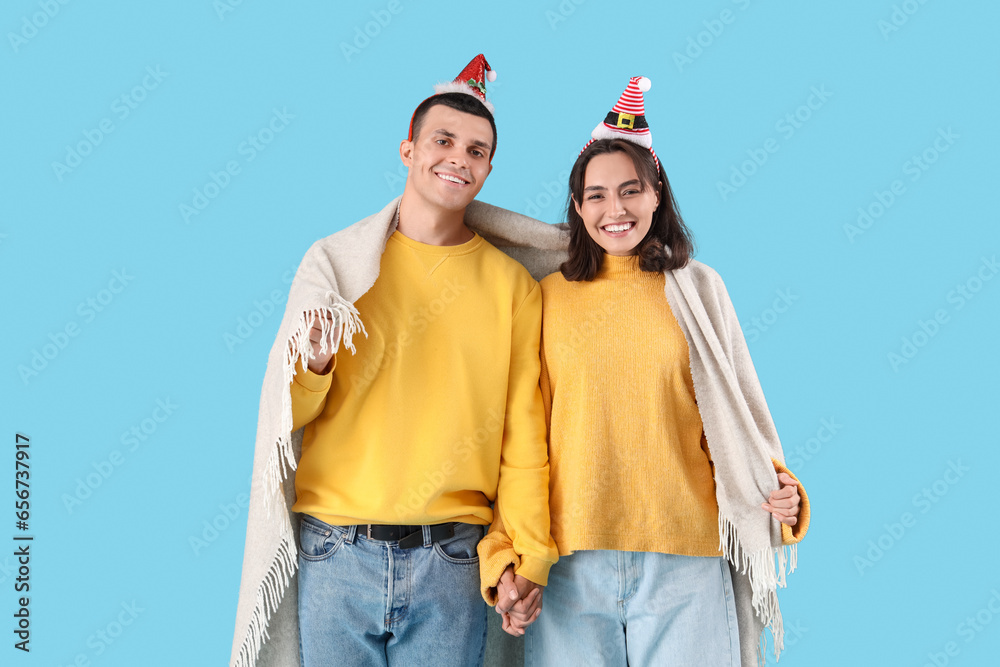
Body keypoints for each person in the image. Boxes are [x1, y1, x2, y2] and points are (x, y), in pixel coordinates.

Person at [229, 55, 559, 667]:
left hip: (453, 561)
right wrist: (318, 365)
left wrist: (528, 554)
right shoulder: (338, 266)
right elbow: (286, 417)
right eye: (443, 140)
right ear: (408, 150)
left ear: (488, 169)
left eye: (477, 150)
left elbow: (524, 438)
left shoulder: (514, 288)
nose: (459, 157)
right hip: (335, 552)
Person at [480, 76, 811, 667]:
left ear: (657, 194)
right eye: (597, 195)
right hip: (569, 566)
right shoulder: (548, 299)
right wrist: (506, 551)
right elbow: (524, 437)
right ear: (578, 208)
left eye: (631, 190)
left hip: (685, 561)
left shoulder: (698, 291)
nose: (616, 209)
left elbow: (738, 411)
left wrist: (777, 486)